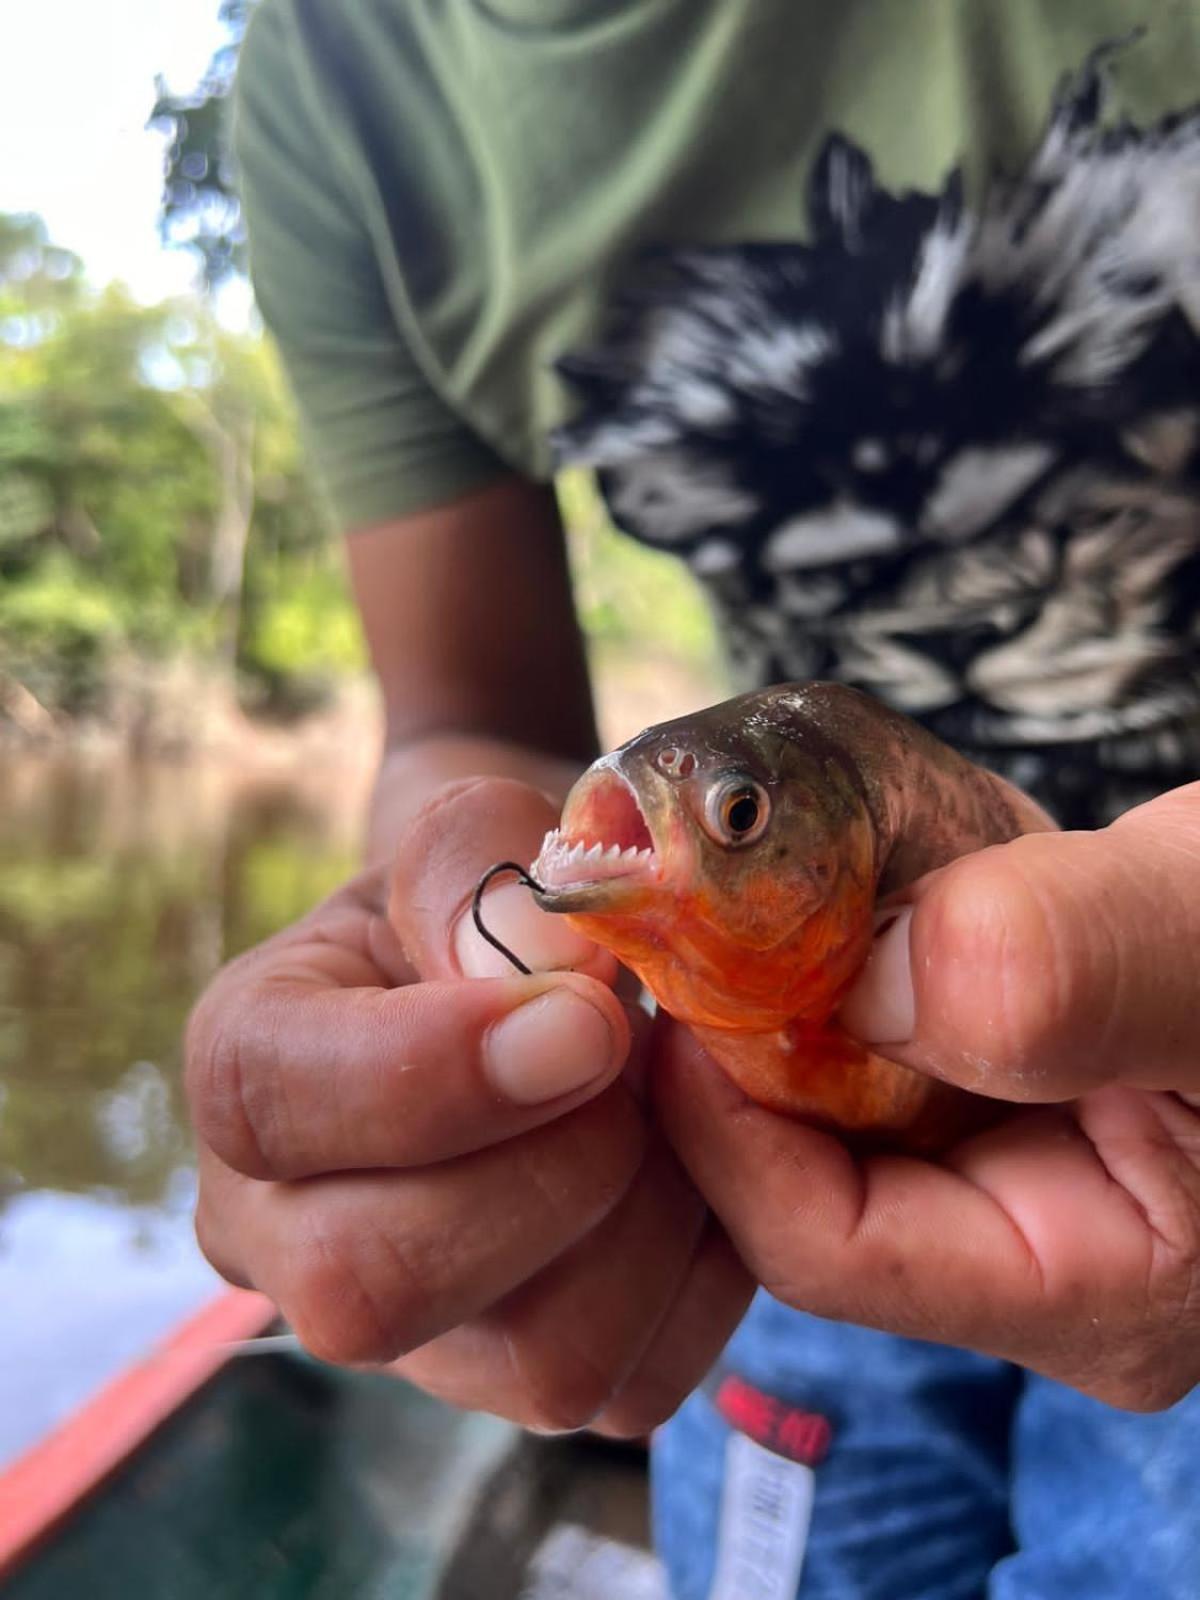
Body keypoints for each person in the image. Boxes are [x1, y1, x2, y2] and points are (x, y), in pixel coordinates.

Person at [185, 4, 1200, 1595]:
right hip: (774, 1178)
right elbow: (477, 724)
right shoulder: (339, 79)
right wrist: (458, 960)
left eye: (719, 822)